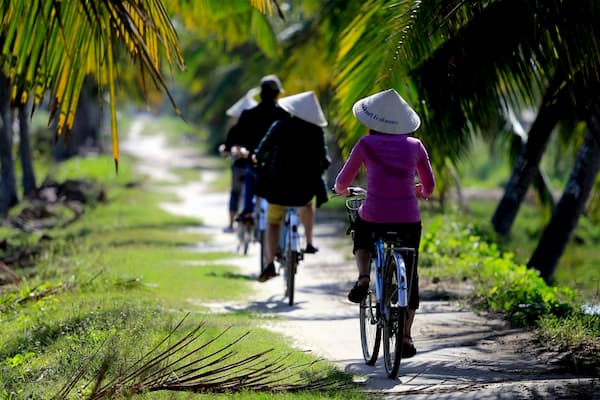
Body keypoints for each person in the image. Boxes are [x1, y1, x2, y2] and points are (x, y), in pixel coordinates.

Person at [333, 88, 435, 358]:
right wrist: (421, 192)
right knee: (410, 274)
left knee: (361, 230)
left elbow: (342, 182)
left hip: (375, 214)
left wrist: (343, 190)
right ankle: (406, 337)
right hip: (409, 219)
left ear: (372, 122)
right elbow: (430, 185)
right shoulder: (415, 146)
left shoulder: (366, 145)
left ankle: (364, 276)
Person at [254, 91, 331, 282]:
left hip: (276, 189)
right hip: (303, 191)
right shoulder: (316, 131)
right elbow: (324, 159)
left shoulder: (279, 126)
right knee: (307, 205)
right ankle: (310, 242)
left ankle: (270, 263)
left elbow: (262, 150)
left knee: (273, 223)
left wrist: (258, 158)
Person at [226, 75, 289, 222]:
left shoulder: (248, 114)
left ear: (261, 93)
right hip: (278, 164)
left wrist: (239, 149)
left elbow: (237, 138)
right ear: (277, 94)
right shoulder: (284, 115)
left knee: (250, 174)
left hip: (254, 161)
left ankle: (248, 210)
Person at [219, 89, 259, 232]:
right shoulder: (258, 129)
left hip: (238, 167)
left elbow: (227, 148)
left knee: (235, 193)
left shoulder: (235, 130)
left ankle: (231, 224)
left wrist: (225, 150)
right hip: (255, 166)